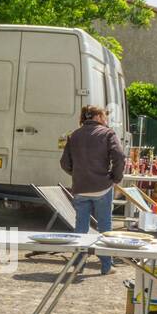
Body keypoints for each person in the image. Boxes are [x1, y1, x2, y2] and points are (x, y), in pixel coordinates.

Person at [60, 105, 125, 275]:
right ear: (97, 116)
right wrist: (115, 178)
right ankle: (106, 266)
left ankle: (79, 265)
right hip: (102, 187)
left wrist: (76, 173)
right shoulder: (107, 133)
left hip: (80, 187)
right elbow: (119, 156)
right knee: (105, 227)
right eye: (104, 115)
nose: (106, 119)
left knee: (80, 227)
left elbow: (64, 163)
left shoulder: (74, 135)